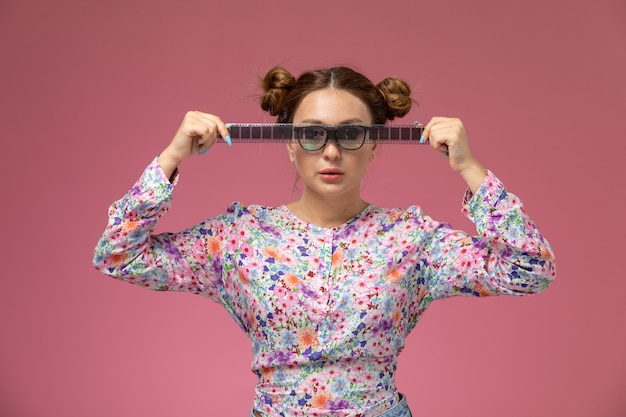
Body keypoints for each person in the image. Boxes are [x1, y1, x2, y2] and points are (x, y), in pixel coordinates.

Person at [93, 65, 556, 417]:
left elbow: (530, 269)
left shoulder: (413, 240)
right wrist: (172, 157)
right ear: (290, 144)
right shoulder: (238, 238)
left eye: (351, 135)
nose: (331, 152)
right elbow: (118, 255)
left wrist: (469, 169)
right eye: (312, 135)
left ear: (375, 144)